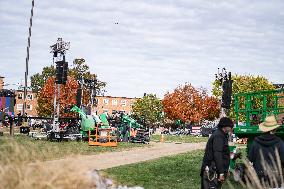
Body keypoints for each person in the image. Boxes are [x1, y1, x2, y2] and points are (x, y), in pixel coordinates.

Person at [248, 115, 284, 187]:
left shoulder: (255, 142)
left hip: (259, 176)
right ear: (274, 129)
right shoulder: (280, 142)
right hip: (275, 176)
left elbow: (250, 158)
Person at [200, 117, 233, 189]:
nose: (231, 128)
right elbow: (217, 154)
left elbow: (223, 153)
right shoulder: (218, 136)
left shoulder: (222, 135)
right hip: (212, 170)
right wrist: (221, 172)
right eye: (230, 126)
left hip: (215, 168)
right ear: (225, 126)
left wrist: (226, 170)